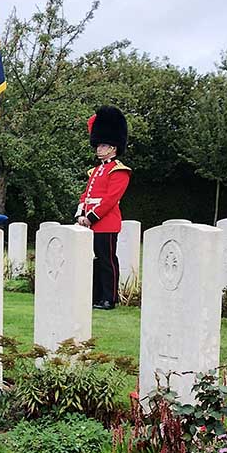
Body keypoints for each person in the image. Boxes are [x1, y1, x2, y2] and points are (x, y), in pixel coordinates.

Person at [75, 106, 132, 310]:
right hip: (90, 223)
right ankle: (97, 296)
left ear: (113, 148)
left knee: (107, 261)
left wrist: (90, 217)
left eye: (103, 145)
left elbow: (109, 199)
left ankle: (110, 298)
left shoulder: (119, 171)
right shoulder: (97, 170)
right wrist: (80, 214)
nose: (98, 149)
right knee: (96, 261)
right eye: (98, 145)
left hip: (105, 223)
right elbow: (86, 194)